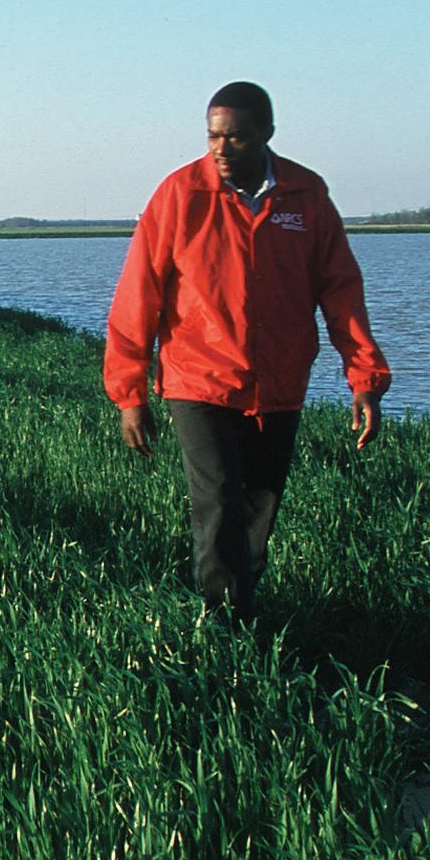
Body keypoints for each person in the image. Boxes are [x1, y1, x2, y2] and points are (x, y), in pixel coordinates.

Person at [104, 81, 390, 620]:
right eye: (212, 136)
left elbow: (341, 291)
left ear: (266, 133)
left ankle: (242, 605)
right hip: (198, 377)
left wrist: (365, 379)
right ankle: (223, 625)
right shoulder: (180, 194)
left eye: (235, 137)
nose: (220, 148)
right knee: (218, 500)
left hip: (279, 380)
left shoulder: (305, 195)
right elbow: (138, 294)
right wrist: (129, 393)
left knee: (261, 502)